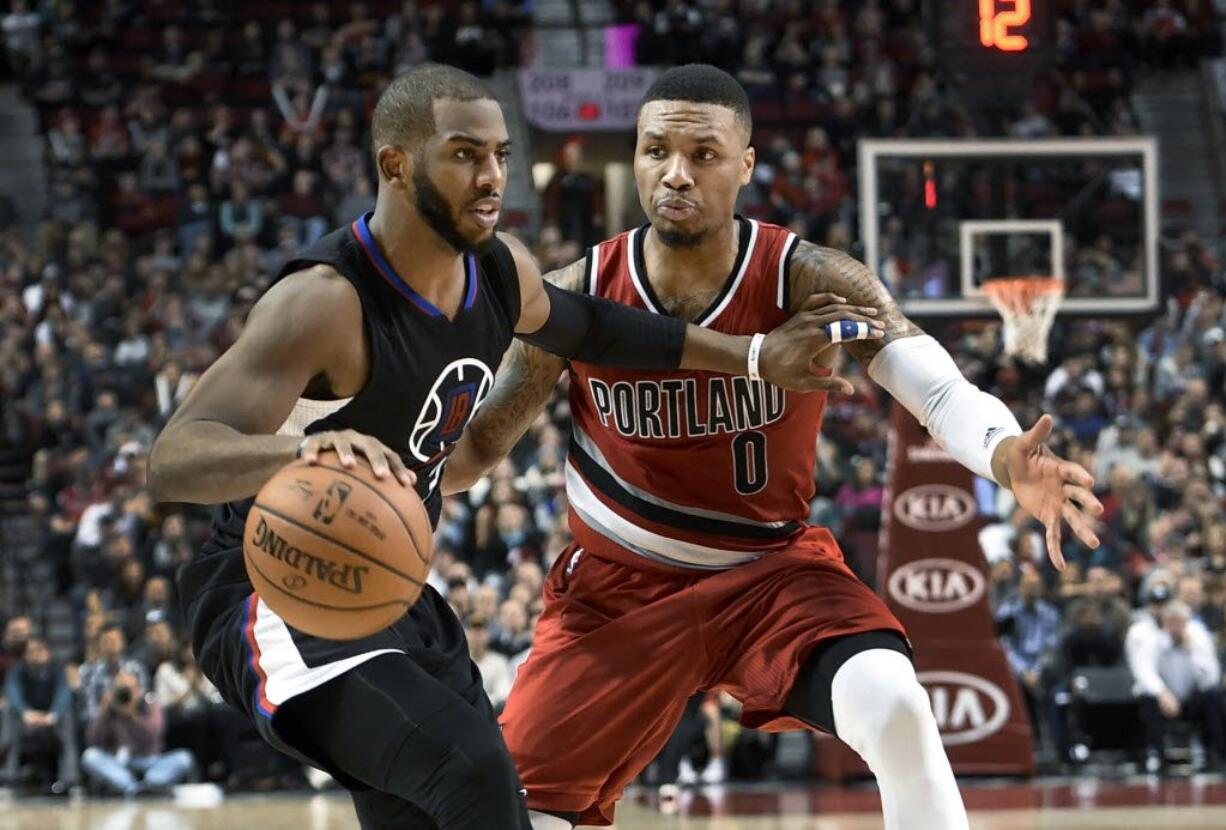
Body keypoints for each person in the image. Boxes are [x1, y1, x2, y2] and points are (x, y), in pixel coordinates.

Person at [148, 64, 846, 830]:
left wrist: (750, 357)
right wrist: (302, 455)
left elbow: (598, 327)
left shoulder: (500, 269)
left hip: (391, 589)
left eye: (501, 156)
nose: (491, 178)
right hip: (278, 583)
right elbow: (175, 458)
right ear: (396, 165)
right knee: (469, 771)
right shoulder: (324, 301)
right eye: (464, 155)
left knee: (473, 793)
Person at [447, 64, 1105, 829]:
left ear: (747, 164)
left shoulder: (808, 278)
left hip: (772, 577)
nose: (676, 173)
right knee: (519, 816)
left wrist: (1001, 452)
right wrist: (377, 457)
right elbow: (476, 449)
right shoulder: (577, 292)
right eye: (656, 150)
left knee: (895, 704)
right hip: (616, 591)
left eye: (703, 153)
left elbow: (932, 387)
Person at [80, 670, 194, 795]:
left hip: (151, 762)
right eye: (122, 690)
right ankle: (134, 788)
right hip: (120, 763)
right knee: (90, 756)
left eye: (130, 689)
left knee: (184, 757)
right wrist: (104, 711)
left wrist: (132, 716)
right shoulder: (109, 710)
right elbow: (93, 740)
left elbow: (154, 737)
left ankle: (149, 784)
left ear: (139, 689)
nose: (126, 694)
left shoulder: (151, 705)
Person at [2, 636, 79, 789]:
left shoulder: (58, 670)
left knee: (67, 714)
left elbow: (63, 693)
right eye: (31, 651)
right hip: (27, 721)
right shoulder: (16, 671)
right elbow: (13, 693)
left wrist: (53, 714)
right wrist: (26, 713)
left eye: (39, 650)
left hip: (51, 720)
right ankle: (10, 775)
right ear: (24, 655)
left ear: (48, 653)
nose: (35, 654)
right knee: (9, 711)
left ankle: (70, 778)